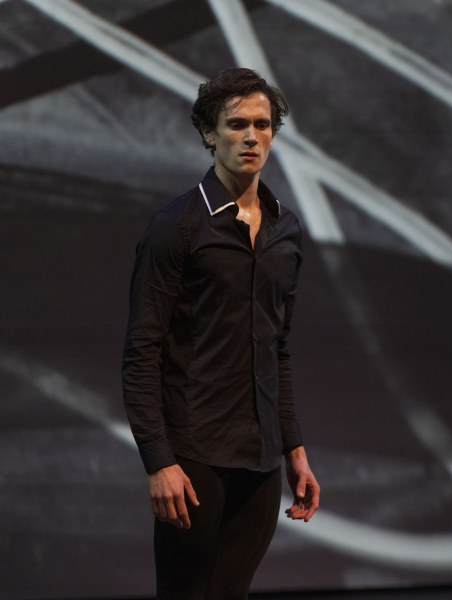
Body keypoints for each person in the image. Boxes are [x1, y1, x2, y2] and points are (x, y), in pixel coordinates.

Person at [122, 67, 320, 598]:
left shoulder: (286, 230)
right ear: (210, 133)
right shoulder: (176, 227)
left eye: (262, 124)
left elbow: (277, 349)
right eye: (236, 124)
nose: (251, 136)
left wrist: (295, 448)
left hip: (260, 459)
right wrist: (159, 460)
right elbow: (142, 351)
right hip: (194, 457)